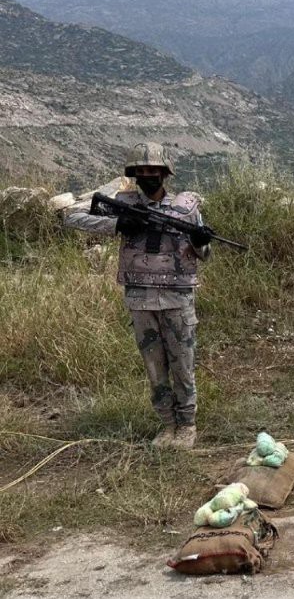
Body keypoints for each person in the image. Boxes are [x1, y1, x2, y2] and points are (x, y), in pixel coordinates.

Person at [64, 142, 213, 449]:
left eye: (155, 170)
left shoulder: (185, 208)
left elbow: (204, 253)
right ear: (133, 173)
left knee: (182, 365)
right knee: (155, 368)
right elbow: (70, 217)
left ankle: (186, 425)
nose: (149, 175)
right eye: (143, 171)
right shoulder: (123, 203)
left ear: (165, 173)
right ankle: (167, 424)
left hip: (177, 299)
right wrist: (118, 223)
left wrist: (199, 240)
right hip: (141, 300)